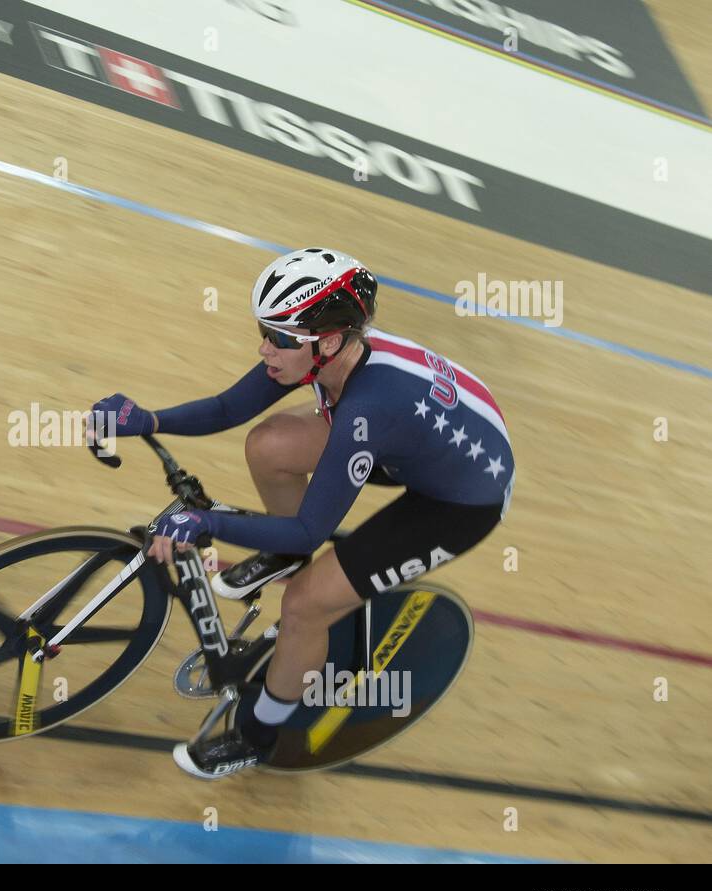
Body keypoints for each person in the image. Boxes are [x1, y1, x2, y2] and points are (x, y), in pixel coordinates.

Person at [90, 248, 514, 779]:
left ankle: (258, 734)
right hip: (413, 446)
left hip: (456, 502)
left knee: (305, 604)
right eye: (264, 330)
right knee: (268, 445)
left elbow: (312, 525)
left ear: (329, 341)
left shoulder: (365, 404)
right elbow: (228, 408)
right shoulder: (317, 350)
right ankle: (286, 555)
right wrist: (148, 418)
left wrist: (208, 524)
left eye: (279, 337)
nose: (265, 348)